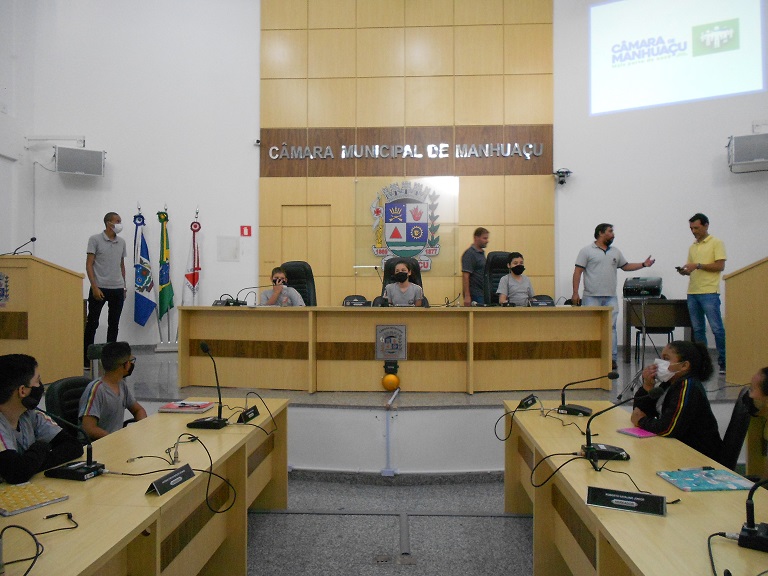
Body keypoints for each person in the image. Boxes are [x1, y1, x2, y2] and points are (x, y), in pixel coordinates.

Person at [572, 223, 655, 369]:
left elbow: (625, 266)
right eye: (610, 231)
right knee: (591, 327)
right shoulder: (586, 251)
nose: (613, 234)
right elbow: (578, 272)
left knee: (611, 328)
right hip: (591, 296)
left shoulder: (615, 251)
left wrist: (643, 264)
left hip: (610, 296)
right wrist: (575, 292)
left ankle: (612, 358)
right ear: (600, 233)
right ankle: (591, 356)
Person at [631, 340, 723, 463]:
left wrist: (642, 421)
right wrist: (647, 386)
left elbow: (668, 428)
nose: (659, 364)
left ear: (684, 366)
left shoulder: (688, 386)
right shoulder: (669, 383)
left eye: (666, 359)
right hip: (676, 450)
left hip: (699, 457)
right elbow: (639, 412)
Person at [0, 354, 83, 484]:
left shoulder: (29, 413)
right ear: (23, 391)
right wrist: (42, 445)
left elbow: (74, 446)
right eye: (37, 381)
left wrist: (31, 465)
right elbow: (17, 473)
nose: (40, 386)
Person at [676, 213, 727, 375]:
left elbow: (720, 266)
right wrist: (685, 271)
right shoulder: (693, 246)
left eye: (696, 228)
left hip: (709, 292)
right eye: (691, 228)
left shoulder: (716, 243)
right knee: (698, 330)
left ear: (706, 225)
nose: (693, 231)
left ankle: (724, 362)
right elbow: (692, 269)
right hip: (693, 292)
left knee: (717, 329)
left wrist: (698, 265)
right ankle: (703, 363)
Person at [84, 212, 127, 368]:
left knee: (114, 324)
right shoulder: (95, 240)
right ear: (109, 223)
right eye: (117, 221)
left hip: (117, 288)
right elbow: (89, 264)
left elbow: (122, 265)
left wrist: (124, 286)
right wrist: (94, 287)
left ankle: (111, 359)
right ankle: (86, 358)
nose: (120, 224)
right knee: (92, 323)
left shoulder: (121, 242)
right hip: (100, 287)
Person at [79, 341, 147, 440]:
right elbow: (89, 429)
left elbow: (138, 410)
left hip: (115, 441)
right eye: (131, 360)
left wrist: (143, 425)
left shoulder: (121, 385)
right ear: (126, 365)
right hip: (99, 444)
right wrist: (114, 439)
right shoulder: (96, 390)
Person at [462, 227, 489, 306]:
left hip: (483, 292)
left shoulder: (481, 253)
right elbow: (465, 276)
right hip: (475, 294)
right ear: (476, 238)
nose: (487, 241)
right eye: (484, 238)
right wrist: (467, 296)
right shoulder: (470, 254)